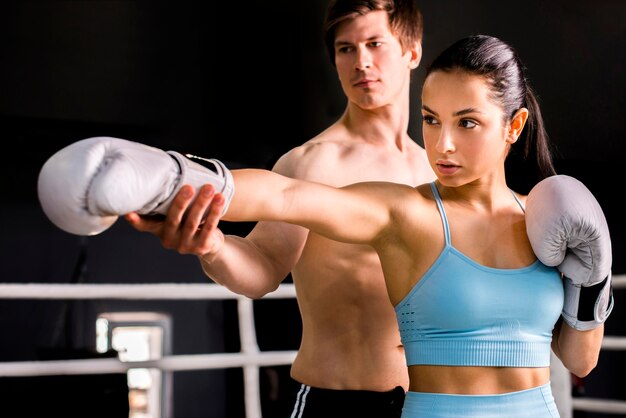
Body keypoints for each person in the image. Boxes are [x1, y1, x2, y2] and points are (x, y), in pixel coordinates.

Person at [126, 34, 611, 417]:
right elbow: (286, 194)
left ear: (514, 125)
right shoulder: (405, 214)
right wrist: (175, 180)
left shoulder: (546, 220)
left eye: (466, 123)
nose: (442, 145)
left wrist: (595, 279)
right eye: (430, 119)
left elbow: (580, 360)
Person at [127, 0, 435, 416]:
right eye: (346, 49)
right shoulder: (312, 162)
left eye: (375, 43)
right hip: (338, 403)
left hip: (433, 402)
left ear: (411, 51)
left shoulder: (437, 168)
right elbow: (262, 269)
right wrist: (213, 246)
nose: (361, 62)